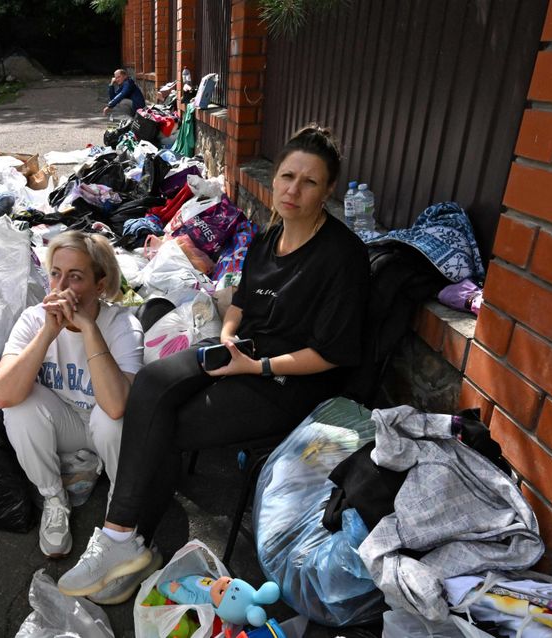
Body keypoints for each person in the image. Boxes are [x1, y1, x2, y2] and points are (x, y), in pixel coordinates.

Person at [57, 124, 370, 602]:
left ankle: (127, 540)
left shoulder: (342, 256)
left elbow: (331, 354)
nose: (292, 189)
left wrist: (256, 368)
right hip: (242, 353)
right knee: (152, 384)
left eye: (309, 182)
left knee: (169, 425)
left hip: (289, 380)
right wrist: (227, 337)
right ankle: (127, 541)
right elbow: (241, 303)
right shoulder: (270, 238)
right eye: (287, 176)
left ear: (329, 189)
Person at [0, 232, 145, 570]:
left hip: (105, 427)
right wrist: (49, 332)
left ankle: (120, 511)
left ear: (99, 285)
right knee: (19, 406)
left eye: (75, 277)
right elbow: (1, 394)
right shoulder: (34, 319)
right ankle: (54, 498)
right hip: (67, 425)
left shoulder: (122, 325)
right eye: (55, 273)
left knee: (111, 416)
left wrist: (89, 329)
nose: (60, 286)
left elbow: (118, 405)